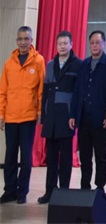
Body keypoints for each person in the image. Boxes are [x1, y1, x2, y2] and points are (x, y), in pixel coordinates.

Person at [0, 26, 45, 205]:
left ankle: (22, 191)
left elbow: (41, 90)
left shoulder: (38, 60)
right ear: (16, 41)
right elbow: (3, 91)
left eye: (26, 39)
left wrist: (40, 112)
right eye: (20, 39)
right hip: (11, 117)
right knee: (10, 156)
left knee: (26, 157)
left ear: (31, 40)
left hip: (28, 117)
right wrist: (1, 114)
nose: (23, 42)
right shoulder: (9, 63)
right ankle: (9, 190)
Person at [70, 30, 106, 192]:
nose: (95, 45)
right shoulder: (84, 64)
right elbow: (77, 91)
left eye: (98, 42)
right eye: (92, 43)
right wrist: (73, 114)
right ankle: (85, 187)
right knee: (85, 156)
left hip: (100, 119)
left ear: (103, 43)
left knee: (100, 156)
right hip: (84, 118)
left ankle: (100, 188)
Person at [38, 31, 80, 204]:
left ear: (71, 44)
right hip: (51, 116)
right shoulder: (50, 64)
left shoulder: (78, 64)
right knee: (51, 157)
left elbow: (78, 94)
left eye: (65, 43)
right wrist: (44, 116)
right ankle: (50, 191)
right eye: (59, 43)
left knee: (66, 158)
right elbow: (45, 92)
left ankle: (64, 192)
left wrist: (74, 115)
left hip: (67, 116)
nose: (62, 46)